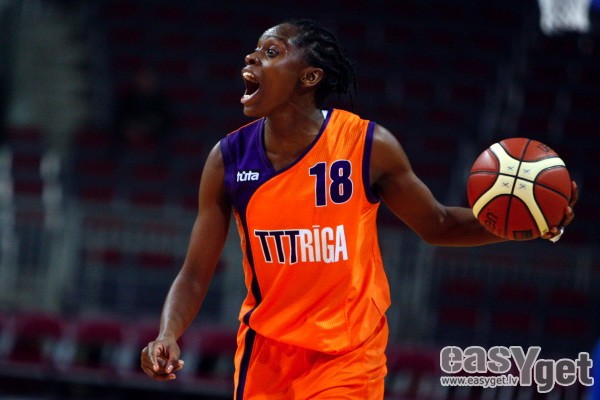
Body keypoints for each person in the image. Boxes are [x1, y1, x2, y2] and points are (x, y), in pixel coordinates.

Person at [140, 19, 577, 399]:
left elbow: (439, 224)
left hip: (348, 357)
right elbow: (194, 274)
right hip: (266, 357)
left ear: (309, 77)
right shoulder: (227, 160)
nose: (252, 58)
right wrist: (168, 333)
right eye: (254, 51)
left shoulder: (368, 146)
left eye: (271, 52)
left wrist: (526, 224)